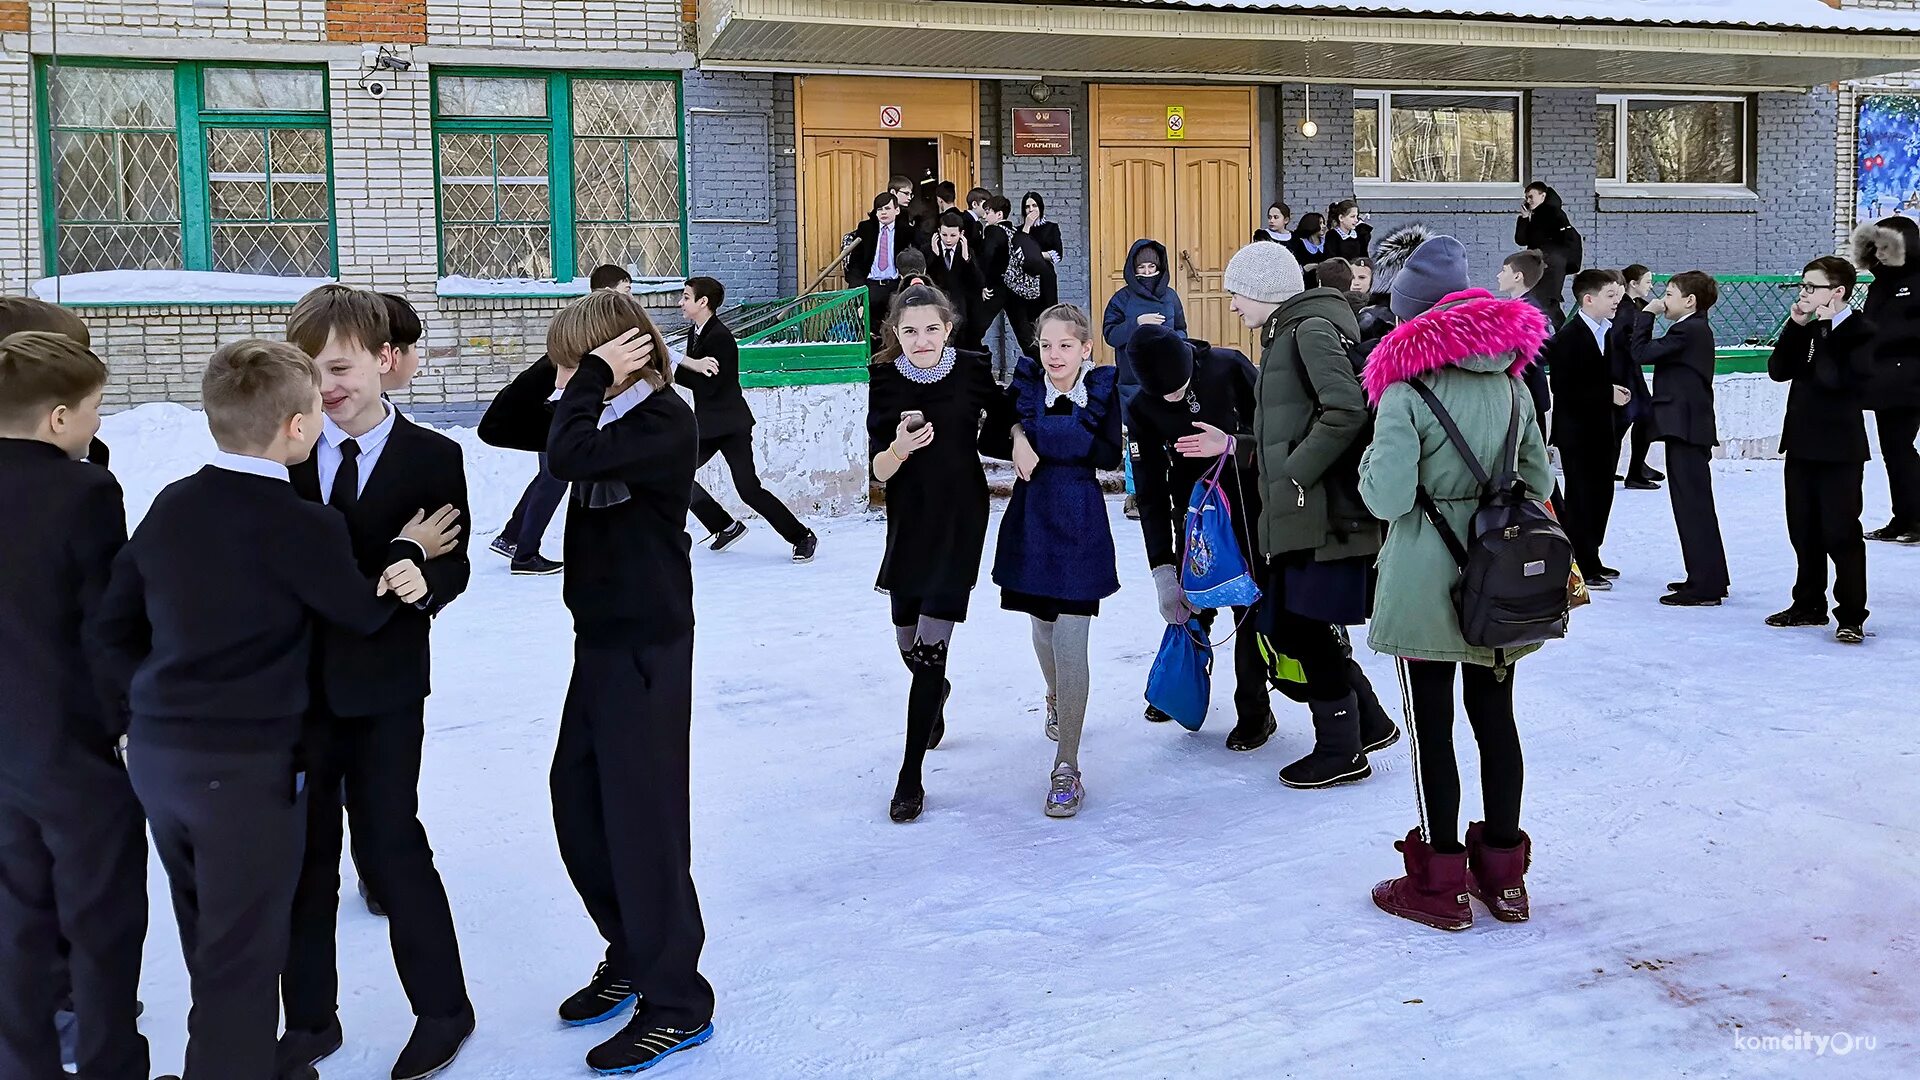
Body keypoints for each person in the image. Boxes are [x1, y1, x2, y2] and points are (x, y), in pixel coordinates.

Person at [88, 339, 426, 1080]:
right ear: (299, 430)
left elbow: (112, 627)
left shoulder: (172, 504)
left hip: (158, 759)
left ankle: (235, 1061)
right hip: (242, 769)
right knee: (244, 952)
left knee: (208, 929)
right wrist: (408, 548)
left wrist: (133, 713)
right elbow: (360, 614)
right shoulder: (304, 524)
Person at [476, 291, 716, 1074]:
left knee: (644, 824)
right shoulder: (597, 411)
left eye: (586, 365)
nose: (568, 381)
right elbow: (502, 426)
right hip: (601, 640)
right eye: (567, 368)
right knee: (578, 804)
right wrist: (566, 365)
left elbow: (565, 459)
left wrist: (589, 379)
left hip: (647, 643)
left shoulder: (658, 422)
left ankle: (676, 999)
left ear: (629, 358)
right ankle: (632, 950)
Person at [278, 286, 475, 1080]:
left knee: (392, 845)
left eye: (339, 367)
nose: (325, 385)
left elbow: (453, 560)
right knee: (306, 857)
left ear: (383, 362)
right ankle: (311, 1022)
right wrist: (395, 550)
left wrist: (423, 574)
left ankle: (443, 1009)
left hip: (387, 685)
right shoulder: (285, 452)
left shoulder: (432, 457)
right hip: (297, 691)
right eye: (310, 369)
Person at [1357, 250, 1554, 932]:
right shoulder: (1513, 384)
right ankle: (1504, 883)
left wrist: (1371, 461)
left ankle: (1439, 885)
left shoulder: (1406, 392)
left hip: (1424, 581)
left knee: (1432, 729)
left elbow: (1386, 497)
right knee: (1496, 722)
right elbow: (1541, 482)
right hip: (1498, 580)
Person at [0, 330, 150, 1080]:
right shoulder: (85, 491)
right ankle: (109, 1065)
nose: (98, 425)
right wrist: (130, 724)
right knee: (102, 923)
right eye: (94, 410)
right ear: (58, 418)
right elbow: (107, 624)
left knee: (16, 926)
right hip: (72, 745)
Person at [1228, 239, 1394, 789]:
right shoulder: (1287, 333)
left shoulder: (1308, 331)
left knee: (1299, 627)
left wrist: (1297, 471)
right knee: (1294, 623)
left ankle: (1341, 750)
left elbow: (1345, 408)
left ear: (1264, 292)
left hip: (1320, 511)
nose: (1232, 306)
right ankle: (1366, 725)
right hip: (1299, 509)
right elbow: (1289, 425)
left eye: (1237, 294)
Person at [864, 284, 1005, 823]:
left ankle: (910, 776)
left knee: (928, 651)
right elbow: (877, 471)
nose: (920, 340)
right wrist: (900, 447)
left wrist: (1018, 442)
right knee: (907, 640)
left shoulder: (971, 368)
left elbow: (1003, 417)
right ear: (894, 335)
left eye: (930, 329)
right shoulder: (884, 378)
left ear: (948, 327)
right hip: (908, 521)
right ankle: (937, 692)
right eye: (908, 331)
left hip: (960, 519)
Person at [988, 304, 1121, 817]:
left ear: (1086, 348)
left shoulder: (1103, 388)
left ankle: (1067, 764)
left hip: (1081, 518)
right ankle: (1054, 696)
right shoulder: (1025, 385)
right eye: (1046, 345)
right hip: (1033, 516)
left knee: (1072, 638)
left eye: (1065, 345)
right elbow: (991, 434)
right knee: (1043, 628)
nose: (1054, 355)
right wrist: (1019, 437)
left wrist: (1048, 440)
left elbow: (1107, 453)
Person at [1126, 323, 1277, 747]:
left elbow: (1282, 434)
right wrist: (1162, 568)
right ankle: (1178, 685)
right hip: (1193, 517)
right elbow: (1150, 492)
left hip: (1251, 508)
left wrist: (1232, 444)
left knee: (1247, 609)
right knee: (1189, 604)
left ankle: (1255, 710)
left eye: (1178, 389)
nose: (1172, 399)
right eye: (1164, 395)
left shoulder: (1228, 368)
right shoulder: (1141, 409)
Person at [675, 276, 819, 562]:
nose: (681, 302)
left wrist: (672, 368)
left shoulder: (720, 338)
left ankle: (802, 536)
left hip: (731, 427)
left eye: (686, 297)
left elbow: (708, 384)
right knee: (677, 474)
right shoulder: (697, 331)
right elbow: (695, 375)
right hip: (708, 425)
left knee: (749, 490)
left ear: (703, 303)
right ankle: (724, 525)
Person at [1767, 256, 1873, 643]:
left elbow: (1834, 379)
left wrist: (1827, 328)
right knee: (1803, 530)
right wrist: (1797, 325)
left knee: (1840, 532)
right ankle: (1808, 604)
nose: (1804, 293)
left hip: (1839, 449)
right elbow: (1779, 369)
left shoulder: (1861, 331)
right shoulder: (1809, 330)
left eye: (1812, 287)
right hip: (1801, 444)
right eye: (1803, 286)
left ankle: (1851, 614)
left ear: (1838, 291)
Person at [1634, 270, 1730, 606]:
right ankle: (1708, 577)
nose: (1664, 299)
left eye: (1671, 294)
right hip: (1687, 428)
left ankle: (1705, 585)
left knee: (1693, 507)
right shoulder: (1691, 328)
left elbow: (1641, 353)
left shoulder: (1688, 329)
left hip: (1688, 429)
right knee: (1693, 506)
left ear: (1690, 301)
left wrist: (1647, 314)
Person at [1544, 269, 1630, 589]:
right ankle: (1580, 562)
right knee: (1582, 496)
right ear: (1588, 298)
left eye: (1617, 296)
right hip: (1577, 431)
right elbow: (1564, 387)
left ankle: (1592, 555)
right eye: (1610, 296)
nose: (1616, 302)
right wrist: (1606, 392)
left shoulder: (1604, 331)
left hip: (1599, 427)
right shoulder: (1570, 336)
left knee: (1600, 494)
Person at [1103, 239, 1188, 521]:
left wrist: (1174, 345)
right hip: (1132, 378)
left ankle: (1172, 488)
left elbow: (1182, 332)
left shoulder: (1171, 297)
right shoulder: (1122, 299)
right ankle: (1135, 493)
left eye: (1153, 267)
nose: (1148, 272)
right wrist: (1137, 324)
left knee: (1169, 434)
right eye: (1142, 267)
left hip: (1167, 378)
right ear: (1133, 268)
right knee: (1137, 439)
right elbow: (1111, 335)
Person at [1852, 216, 1920, 544]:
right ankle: (1903, 518)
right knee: (1893, 449)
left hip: (1909, 379)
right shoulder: (1882, 282)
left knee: (1900, 448)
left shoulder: (1916, 280)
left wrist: (1883, 338)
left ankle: (1914, 519)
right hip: (1884, 380)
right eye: (1874, 247)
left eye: (1885, 247)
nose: (1879, 254)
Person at [1497, 250, 1558, 434]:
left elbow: (1543, 353)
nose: (1499, 275)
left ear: (1517, 276)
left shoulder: (1529, 311)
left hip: (1528, 395)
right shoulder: (1517, 307)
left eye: (1504, 270)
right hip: (1521, 395)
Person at [983, 195, 1047, 370]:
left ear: (998, 215)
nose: (984, 216)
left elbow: (988, 257)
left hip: (999, 288)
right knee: (1024, 334)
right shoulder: (1014, 232)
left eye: (988, 212)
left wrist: (985, 284)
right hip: (1017, 290)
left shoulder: (993, 231)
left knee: (977, 328)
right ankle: (1046, 366)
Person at [1616, 265, 1663, 489]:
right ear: (1633, 284)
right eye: (1647, 281)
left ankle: (1636, 466)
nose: (1651, 286)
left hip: (1630, 370)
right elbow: (1626, 341)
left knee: (1640, 418)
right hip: (1624, 371)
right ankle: (1634, 471)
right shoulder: (1626, 309)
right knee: (1628, 420)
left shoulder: (1636, 307)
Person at [848, 192, 913, 343]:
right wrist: (857, 289)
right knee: (869, 332)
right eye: (879, 209)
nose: (883, 212)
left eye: (887, 208)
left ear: (897, 210)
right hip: (871, 286)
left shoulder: (906, 231)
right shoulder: (866, 228)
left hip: (895, 287)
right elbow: (855, 262)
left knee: (894, 330)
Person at [1515, 181, 1582, 305]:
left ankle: (1561, 325)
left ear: (1543, 196)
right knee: (1540, 302)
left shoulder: (1554, 214)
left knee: (1548, 302)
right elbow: (1521, 240)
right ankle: (1546, 324)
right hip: (1541, 264)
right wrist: (1524, 218)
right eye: (1526, 198)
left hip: (1552, 265)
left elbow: (1568, 240)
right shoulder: (1536, 215)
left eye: (1531, 197)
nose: (1528, 201)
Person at [925, 209, 981, 346]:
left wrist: (967, 258)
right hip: (937, 302)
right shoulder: (929, 249)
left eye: (953, 235)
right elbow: (927, 279)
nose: (948, 239)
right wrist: (935, 256)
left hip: (961, 306)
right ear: (938, 232)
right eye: (944, 234)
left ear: (961, 234)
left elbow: (977, 281)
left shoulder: (967, 250)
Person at [1020, 191, 1064, 311]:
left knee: (1048, 313)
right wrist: (1027, 226)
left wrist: (1035, 255)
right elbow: (1019, 251)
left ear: (1040, 207)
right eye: (1027, 207)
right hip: (1025, 279)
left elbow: (1057, 254)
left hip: (1045, 277)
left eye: (1034, 206)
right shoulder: (1019, 230)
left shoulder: (1051, 228)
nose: (1031, 210)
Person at [1285, 212, 1328, 277]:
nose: (1324, 226)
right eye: (1320, 223)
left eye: (1323, 223)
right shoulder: (1300, 245)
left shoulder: (1327, 242)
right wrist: (1306, 268)